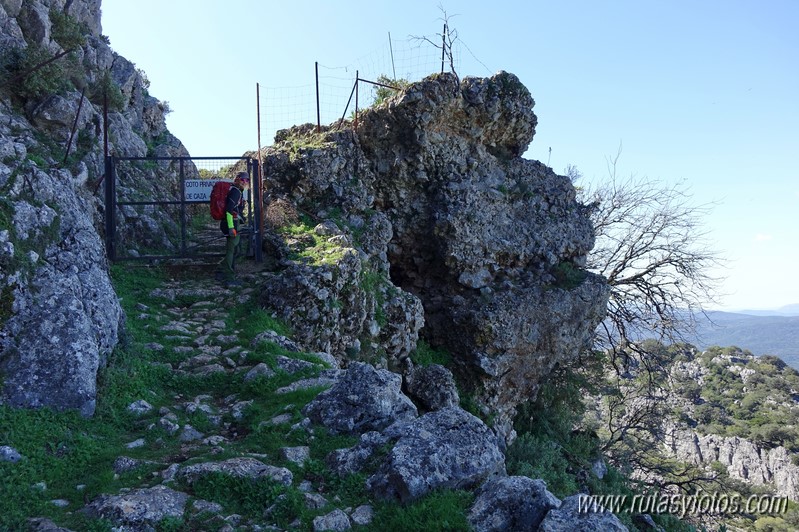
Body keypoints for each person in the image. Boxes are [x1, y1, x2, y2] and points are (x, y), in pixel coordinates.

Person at [216, 171, 250, 285]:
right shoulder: (235, 191)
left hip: (233, 223)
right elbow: (229, 211)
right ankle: (228, 276)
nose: (246, 182)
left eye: (247, 180)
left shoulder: (236, 191)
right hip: (231, 223)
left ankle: (221, 270)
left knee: (235, 250)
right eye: (244, 180)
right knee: (231, 251)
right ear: (238, 179)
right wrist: (231, 227)